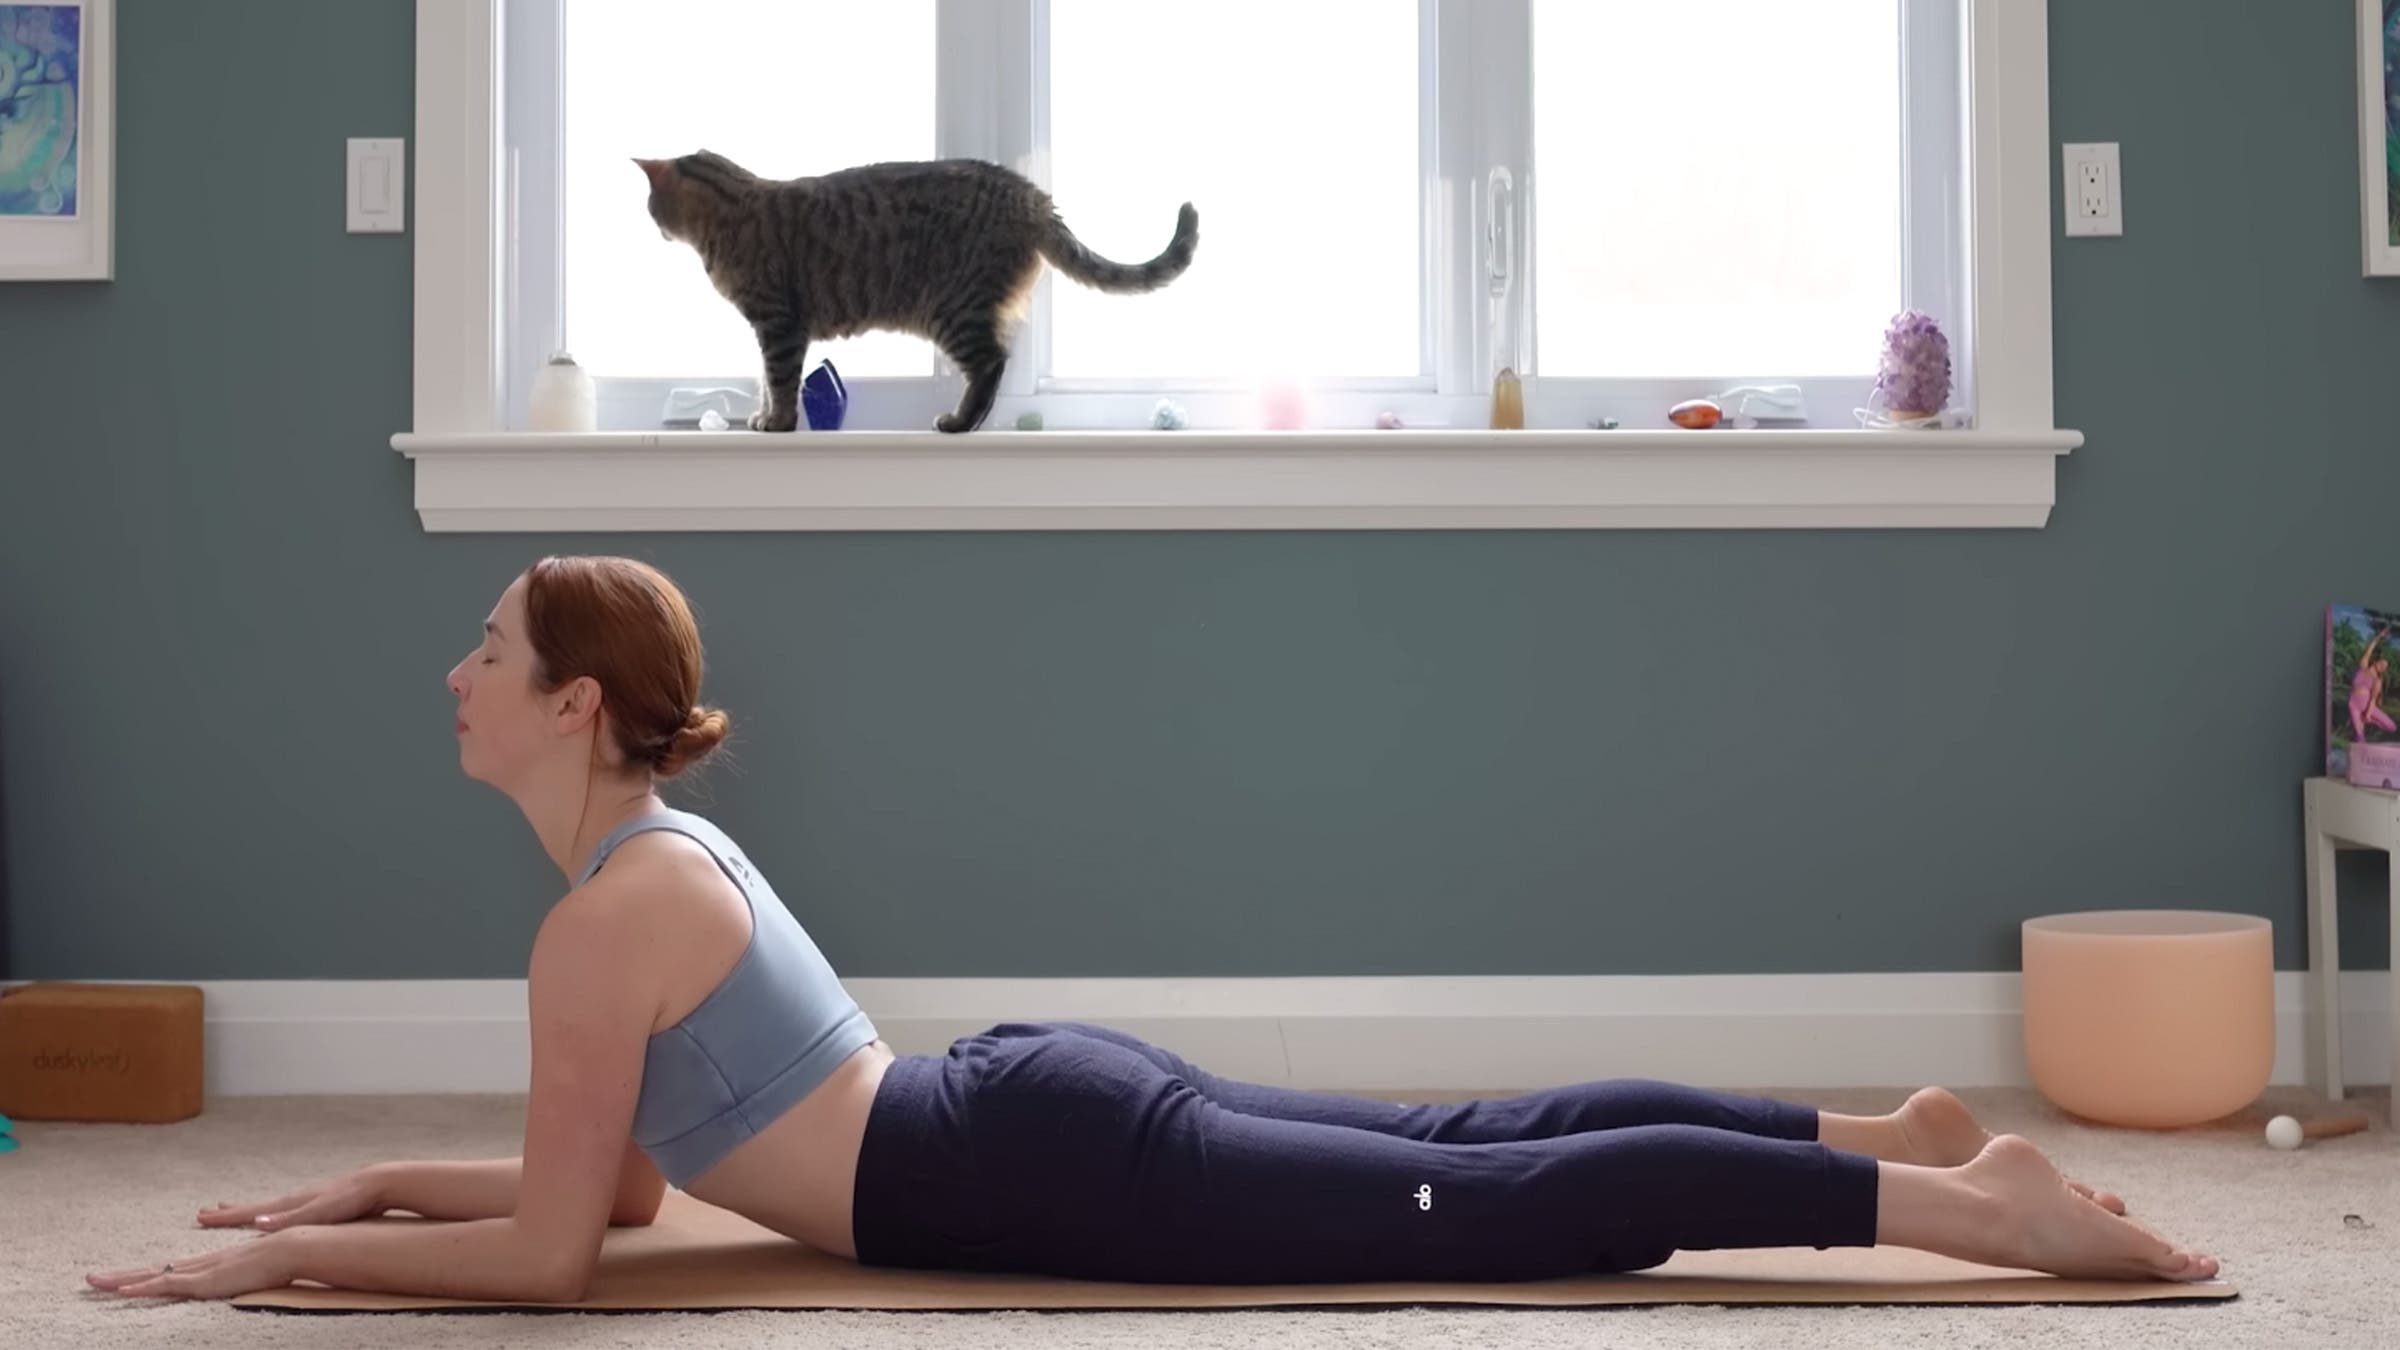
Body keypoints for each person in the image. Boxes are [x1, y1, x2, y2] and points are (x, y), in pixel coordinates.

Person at [89, 556, 2220, 1303]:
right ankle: (1901, 1131)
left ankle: (1964, 1213)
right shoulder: (652, 880)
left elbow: (553, 1261)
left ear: (571, 704)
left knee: (1495, 1210)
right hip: (1016, 1110)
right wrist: (376, 1174)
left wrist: (286, 1258)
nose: (447, 680)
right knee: (1475, 1136)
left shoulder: (597, 924)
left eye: (479, 653)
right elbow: (629, 1196)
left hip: (1012, 1157)